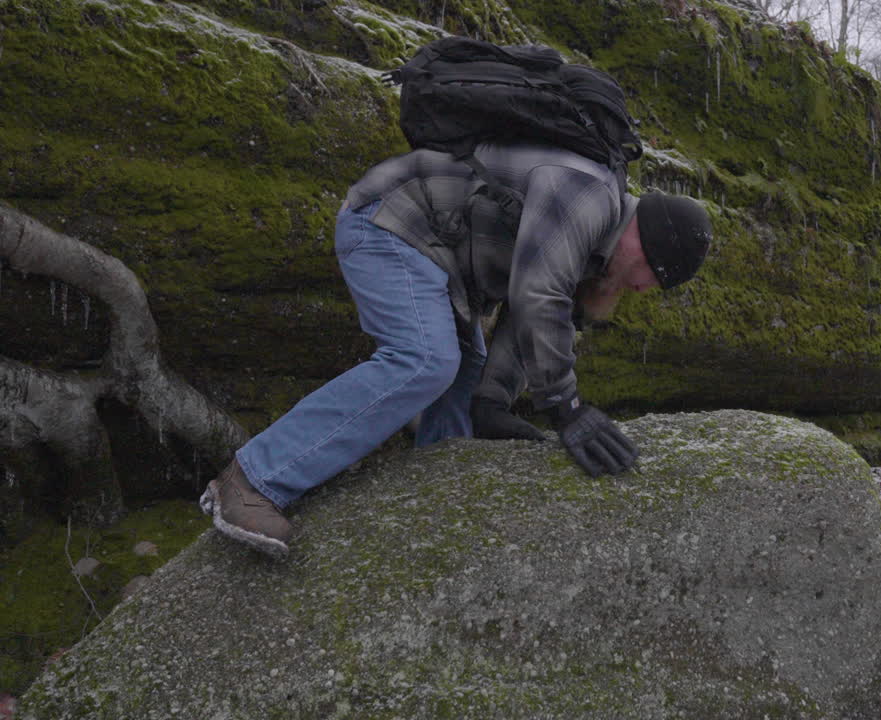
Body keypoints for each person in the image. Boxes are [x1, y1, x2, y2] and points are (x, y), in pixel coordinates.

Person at [199, 141, 712, 558]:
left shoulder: (592, 248)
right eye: (655, 278)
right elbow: (538, 297)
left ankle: (430, 511)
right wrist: (566, 407)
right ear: (646, 243)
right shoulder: (587, 193)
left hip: (444, 270)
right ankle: (254, 478)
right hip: (393, 223)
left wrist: (492, 401)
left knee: (462, 394)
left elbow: (528, 316)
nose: (645, 290)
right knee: (425, 359)